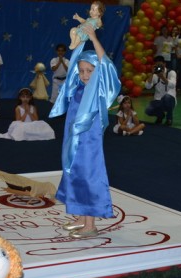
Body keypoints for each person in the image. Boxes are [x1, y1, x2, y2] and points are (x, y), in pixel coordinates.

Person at [49, 24, 121, 238]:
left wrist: (94, 38)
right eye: (82, 70)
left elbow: (105, 64)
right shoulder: (78, 86)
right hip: (73, 141)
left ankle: (91, 224)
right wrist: (80, 42)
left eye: (89, 70)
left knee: (88, 177)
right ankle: (81, 217)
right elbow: (71, 71)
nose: (84, 74)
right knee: (74, 175)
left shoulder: (99, 89)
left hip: (89, 144)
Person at [144, 55, 177, 126]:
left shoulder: (171, 72)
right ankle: (160, 116)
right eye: (157, 65)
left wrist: (162, 77)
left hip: (170, 101)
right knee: (148, 110)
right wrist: (152, 73)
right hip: (158, 101)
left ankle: (169, 118)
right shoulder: (154, 75)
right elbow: (147, 86)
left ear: (165, 64)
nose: (159, 67)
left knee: (167, 97)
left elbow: (172, 85)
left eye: (160, 64)